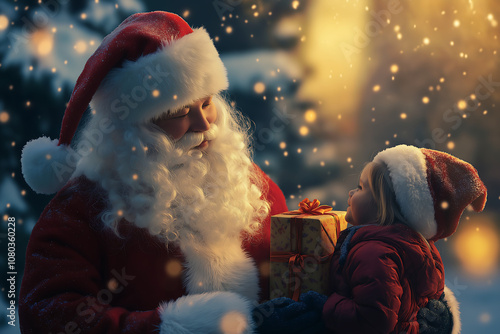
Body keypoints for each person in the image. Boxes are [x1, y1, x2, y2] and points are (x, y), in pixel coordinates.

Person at [19, 11, 290, 333]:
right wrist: (168, 326)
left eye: (206, 103)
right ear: (133, 130)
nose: (205, 125)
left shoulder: (251, 186)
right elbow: (48, 315)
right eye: (179, 112)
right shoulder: (80, 210)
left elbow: (290, 273)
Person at [322, 144, 487, 334]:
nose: (351, 193)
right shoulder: (416, 246)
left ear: (383, 206)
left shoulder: (373, 252)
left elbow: (373, 321)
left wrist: (326, 303)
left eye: (361, 188)